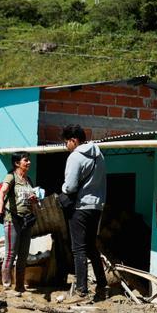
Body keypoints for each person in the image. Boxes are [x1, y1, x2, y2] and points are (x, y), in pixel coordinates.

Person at [61, 125, 108, 300]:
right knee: (91, 246)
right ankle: (102, 284)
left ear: (73, 140)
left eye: (66, 142)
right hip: (96, 207)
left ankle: (82, 289)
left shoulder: (75, 156)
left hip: (80, 207)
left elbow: (71, 186)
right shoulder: (100, 155)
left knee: (78, 248)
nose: (66, 146)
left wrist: (63, 188)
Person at [0, 151, 40, 293]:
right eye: (26, 160)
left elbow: (35, 205)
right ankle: (7, 286)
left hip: (26, 221)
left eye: (29, 160)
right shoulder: (11, 176)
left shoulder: (28, 181)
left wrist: (34, 201)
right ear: (17, 163)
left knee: (23, 255)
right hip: (12, 219)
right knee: (10, 254)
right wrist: (0, 202)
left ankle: (19, 286)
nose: (29, 162)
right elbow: (3, 191)